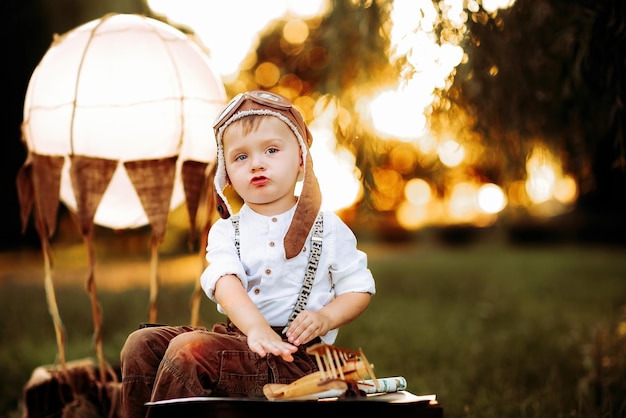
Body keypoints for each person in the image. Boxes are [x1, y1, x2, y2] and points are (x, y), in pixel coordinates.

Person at [119, 90, 376, 417]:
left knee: (190, 353)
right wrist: (255, 328)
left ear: (300, 159)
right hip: (241, 339)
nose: (256, 163)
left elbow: (358, 288)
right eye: (240, 157)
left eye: (271, 150)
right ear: (225, 173)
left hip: (295, 358)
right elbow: (226, 282)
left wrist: (326, 317)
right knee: (141, 344)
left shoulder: (327, 227)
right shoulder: (227, 230)